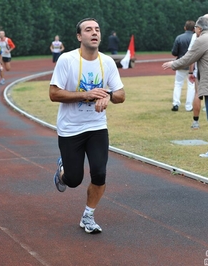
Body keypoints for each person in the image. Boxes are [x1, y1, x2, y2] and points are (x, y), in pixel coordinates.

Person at [49, 18, 125, 234]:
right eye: (88, 29)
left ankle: (88, 216)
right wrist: (86, 94)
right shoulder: (67, 60)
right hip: (71, 128)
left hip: (97, 127)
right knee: (73, 180)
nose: (94, 33)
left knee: (99, 173)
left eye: (97, 29)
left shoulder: (107, 62)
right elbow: (54, 94)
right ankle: (62, 169)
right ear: (79, 36)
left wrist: (108, 96)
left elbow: (121, 94)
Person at [163, 16, 208, 158]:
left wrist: (173, 64)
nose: (195, 30)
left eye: (196, 28)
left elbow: (189, 57)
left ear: (199, 28)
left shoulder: (202, 40)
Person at [170, 20, 195, 112]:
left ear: (185, 28)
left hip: (180, 64)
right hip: (193, 65)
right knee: (191, 85)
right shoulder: (196, 37)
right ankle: (188, 106)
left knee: (178, 84)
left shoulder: (179, 38)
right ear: (194, 29)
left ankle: (175, 104)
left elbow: (174, 52)